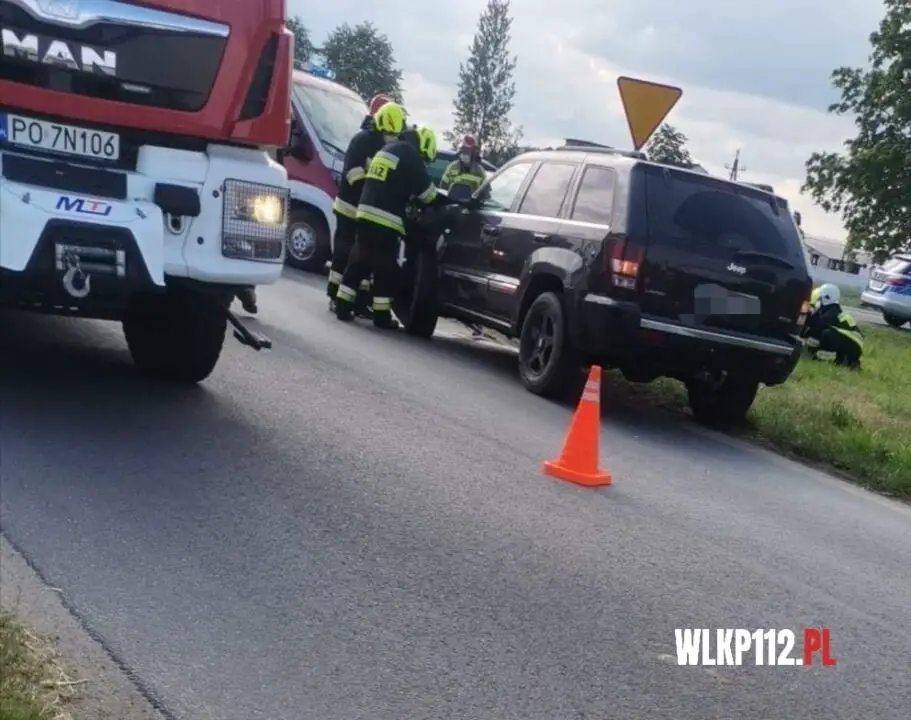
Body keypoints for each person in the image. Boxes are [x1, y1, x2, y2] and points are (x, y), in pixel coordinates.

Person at [334, 125, 441, 329]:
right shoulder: (411, 156)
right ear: (423, 149)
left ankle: (342, 304)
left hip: (364, 213)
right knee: (384, 268)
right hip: (386, 220)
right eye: (426, 159)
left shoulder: (389, 149)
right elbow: (428, 195)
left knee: (359, 260)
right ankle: (381, 316)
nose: (424, 163)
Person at [326, 97, 403, 312]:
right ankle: (334, 295)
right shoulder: (362, 141)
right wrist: (370, 194)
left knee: (361, 258)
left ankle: (358, 301)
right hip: (349, 207)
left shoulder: (385, 146)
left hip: (365, 212)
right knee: (343, 254)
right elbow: (353, 173)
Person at [800, 283, 864, 369]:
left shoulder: (831, 314)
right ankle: (837, 360)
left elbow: (816, 326)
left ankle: (827, 360)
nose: (818, 303)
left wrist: (807, 315)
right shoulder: (830, 310)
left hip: (853, 346)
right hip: (851, 343)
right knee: (822, 333)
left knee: (827, 334)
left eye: (820, 299)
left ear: (826, 299)